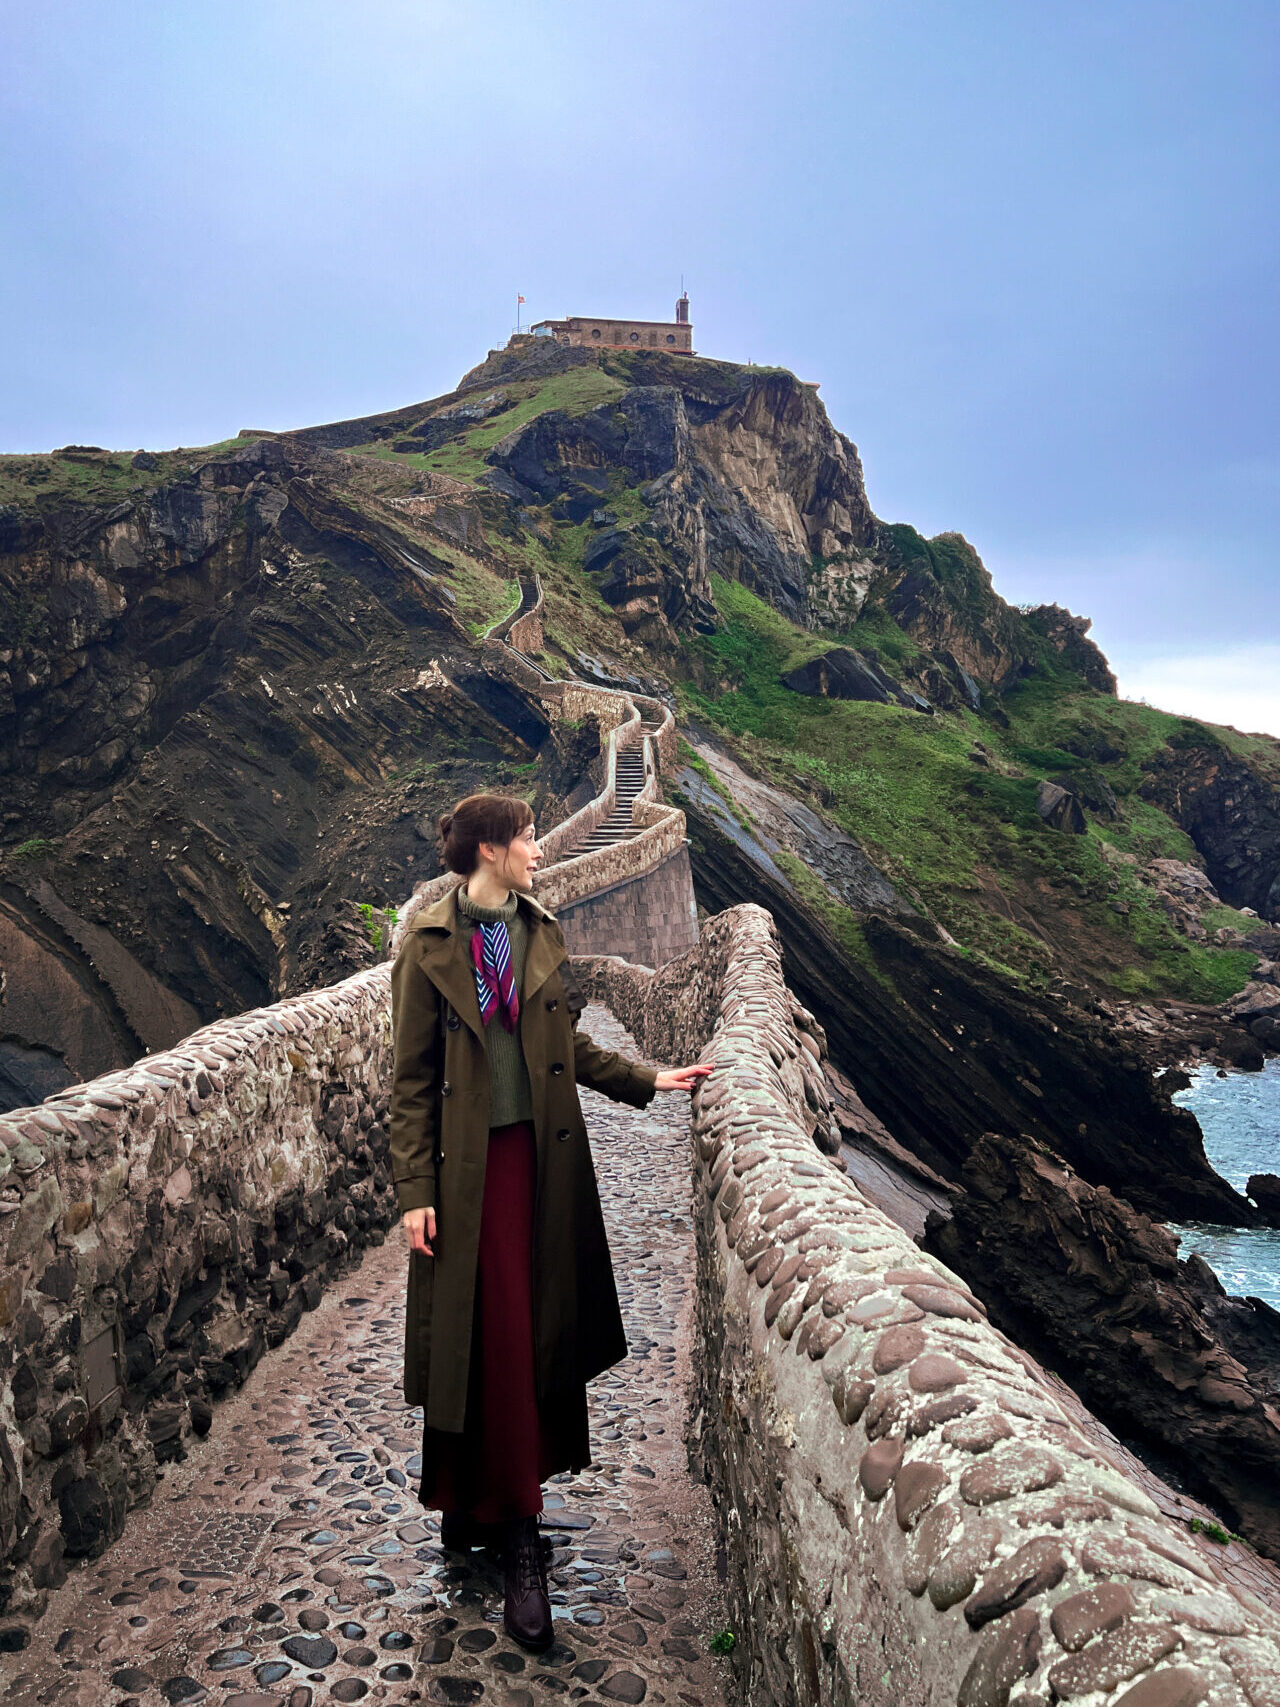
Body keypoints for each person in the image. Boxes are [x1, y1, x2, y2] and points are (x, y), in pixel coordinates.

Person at [388, 792, 712, 1650]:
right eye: (528, 837)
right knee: (481, 1334)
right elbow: (411, 1082)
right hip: (465, 1174)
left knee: (523, 1331)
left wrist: (649, 1080)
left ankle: (488, 1505)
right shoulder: (426, 947)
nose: (538, 849)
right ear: (491, 849)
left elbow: (566, 1047)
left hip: (537, 1163)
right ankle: (515, 1531)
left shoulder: (537, 933)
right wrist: (415, 1188)